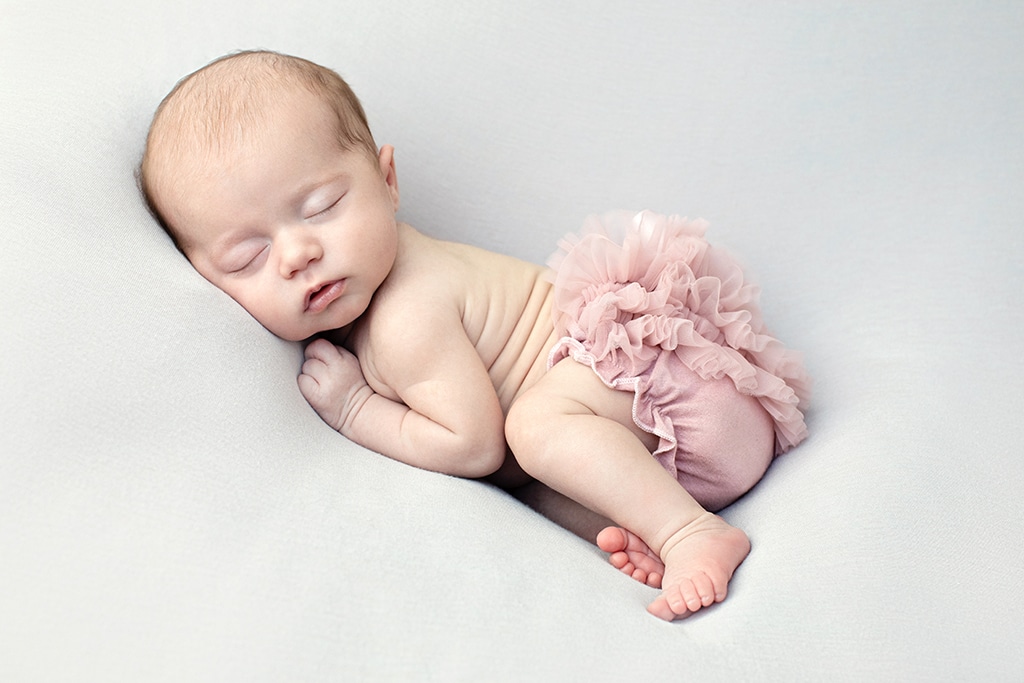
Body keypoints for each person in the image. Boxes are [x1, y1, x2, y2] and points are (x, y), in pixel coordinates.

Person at [138, 50, 810, 621]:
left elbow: (474, 444)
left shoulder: (405, 314)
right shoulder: (380, 290)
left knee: (535, 429)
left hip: (693, 410)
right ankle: (656, 528)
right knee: (538, 484)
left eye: (322, 208)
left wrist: (356, 409)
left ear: (387, 180)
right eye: (247, 258)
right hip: (663, 439)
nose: (296, 254)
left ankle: (692, 531)